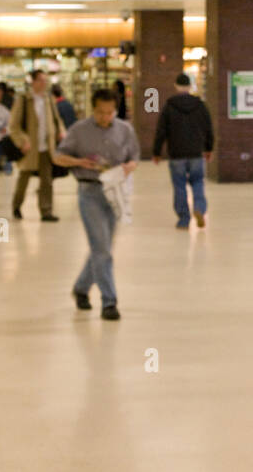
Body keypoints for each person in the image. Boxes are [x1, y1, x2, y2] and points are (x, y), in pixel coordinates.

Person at [54, 87, 140, 320]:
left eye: (110, 112)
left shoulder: (124, 130)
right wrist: (79, 161)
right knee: (101, 248)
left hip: (114, 193)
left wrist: (128, 167)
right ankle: (109, 301)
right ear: (94, 109)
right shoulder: (79, 130)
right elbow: (58, 156)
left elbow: (134, 157)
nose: (106, 117)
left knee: (102, 248)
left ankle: (81, 288)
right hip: (89, 191)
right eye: (101, 112)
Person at [152, 73, 214, 229]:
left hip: (176, 154)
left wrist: (156, 152)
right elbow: (208, 128)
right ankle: (199, 208)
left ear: (176, 86)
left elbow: (161, 131)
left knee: (179, 186)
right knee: (198, 182)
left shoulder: (169, 106)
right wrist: (208, 148)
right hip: (195, 153)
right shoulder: (200, 105)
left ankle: (183, 219)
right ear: (190, 86)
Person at [9, 69, 63, 221]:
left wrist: (60, 131)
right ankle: (17, 205)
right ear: (33, 82)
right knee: (23, 179)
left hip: (46, 147)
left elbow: (56, 119)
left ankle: (46, 211)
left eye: (45, 80)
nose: (43, 83)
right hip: (30, 147)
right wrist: (21, 141)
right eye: (40, 80)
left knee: (47, 181)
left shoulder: (49, 99)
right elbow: (13, 125)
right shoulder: (24, 100)